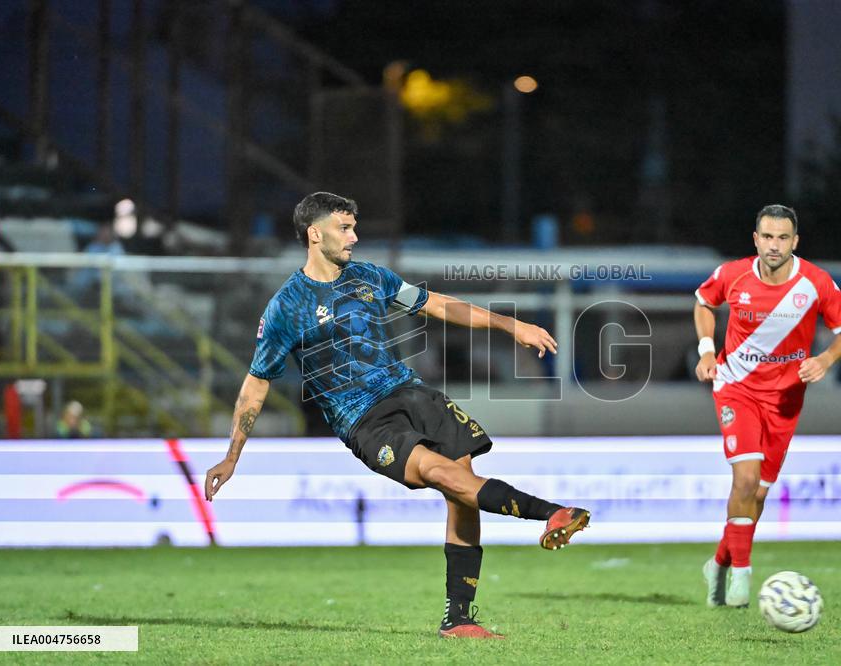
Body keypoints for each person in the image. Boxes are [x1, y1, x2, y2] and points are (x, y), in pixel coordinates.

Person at [204, 192, 590, 639]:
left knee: (461, 481)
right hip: (365, 420)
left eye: (353, 227)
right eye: (343, 228)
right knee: (442, 474)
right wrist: (232, 455)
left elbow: (438, 304)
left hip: (410, 393)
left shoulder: (369, 276)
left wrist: (511, 324)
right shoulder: (287, 306)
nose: (354, 236)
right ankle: (551, 512)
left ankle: (459, 619)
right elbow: (256, 383)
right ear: (315, 234)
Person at [693, 204, 841, 608]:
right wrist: (706, 350)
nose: (774, 245)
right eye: (767, 237)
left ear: (794, 241)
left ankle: (718, 562)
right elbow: (703, 302)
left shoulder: (815, 283)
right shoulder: (733, 275)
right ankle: (742, 578)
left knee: (760, 496)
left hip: (785, 400)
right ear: (756, 239)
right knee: (745, 481)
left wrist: (824, 359)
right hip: (736, 389)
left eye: (782, 238)